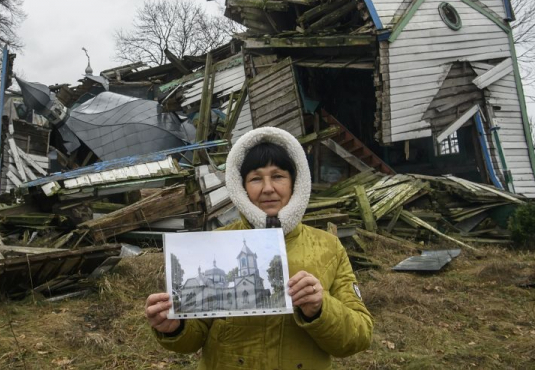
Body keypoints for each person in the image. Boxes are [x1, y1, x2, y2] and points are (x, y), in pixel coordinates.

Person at [145, 126, 373, 369]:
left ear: (296, 183)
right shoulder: (215, 244)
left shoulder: (328, 247)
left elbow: (358, 337)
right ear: (241, 186)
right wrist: (175, 328)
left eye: (278, 176)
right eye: (256, 178)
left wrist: (319, 309)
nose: (267, 188)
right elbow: (195, 336)